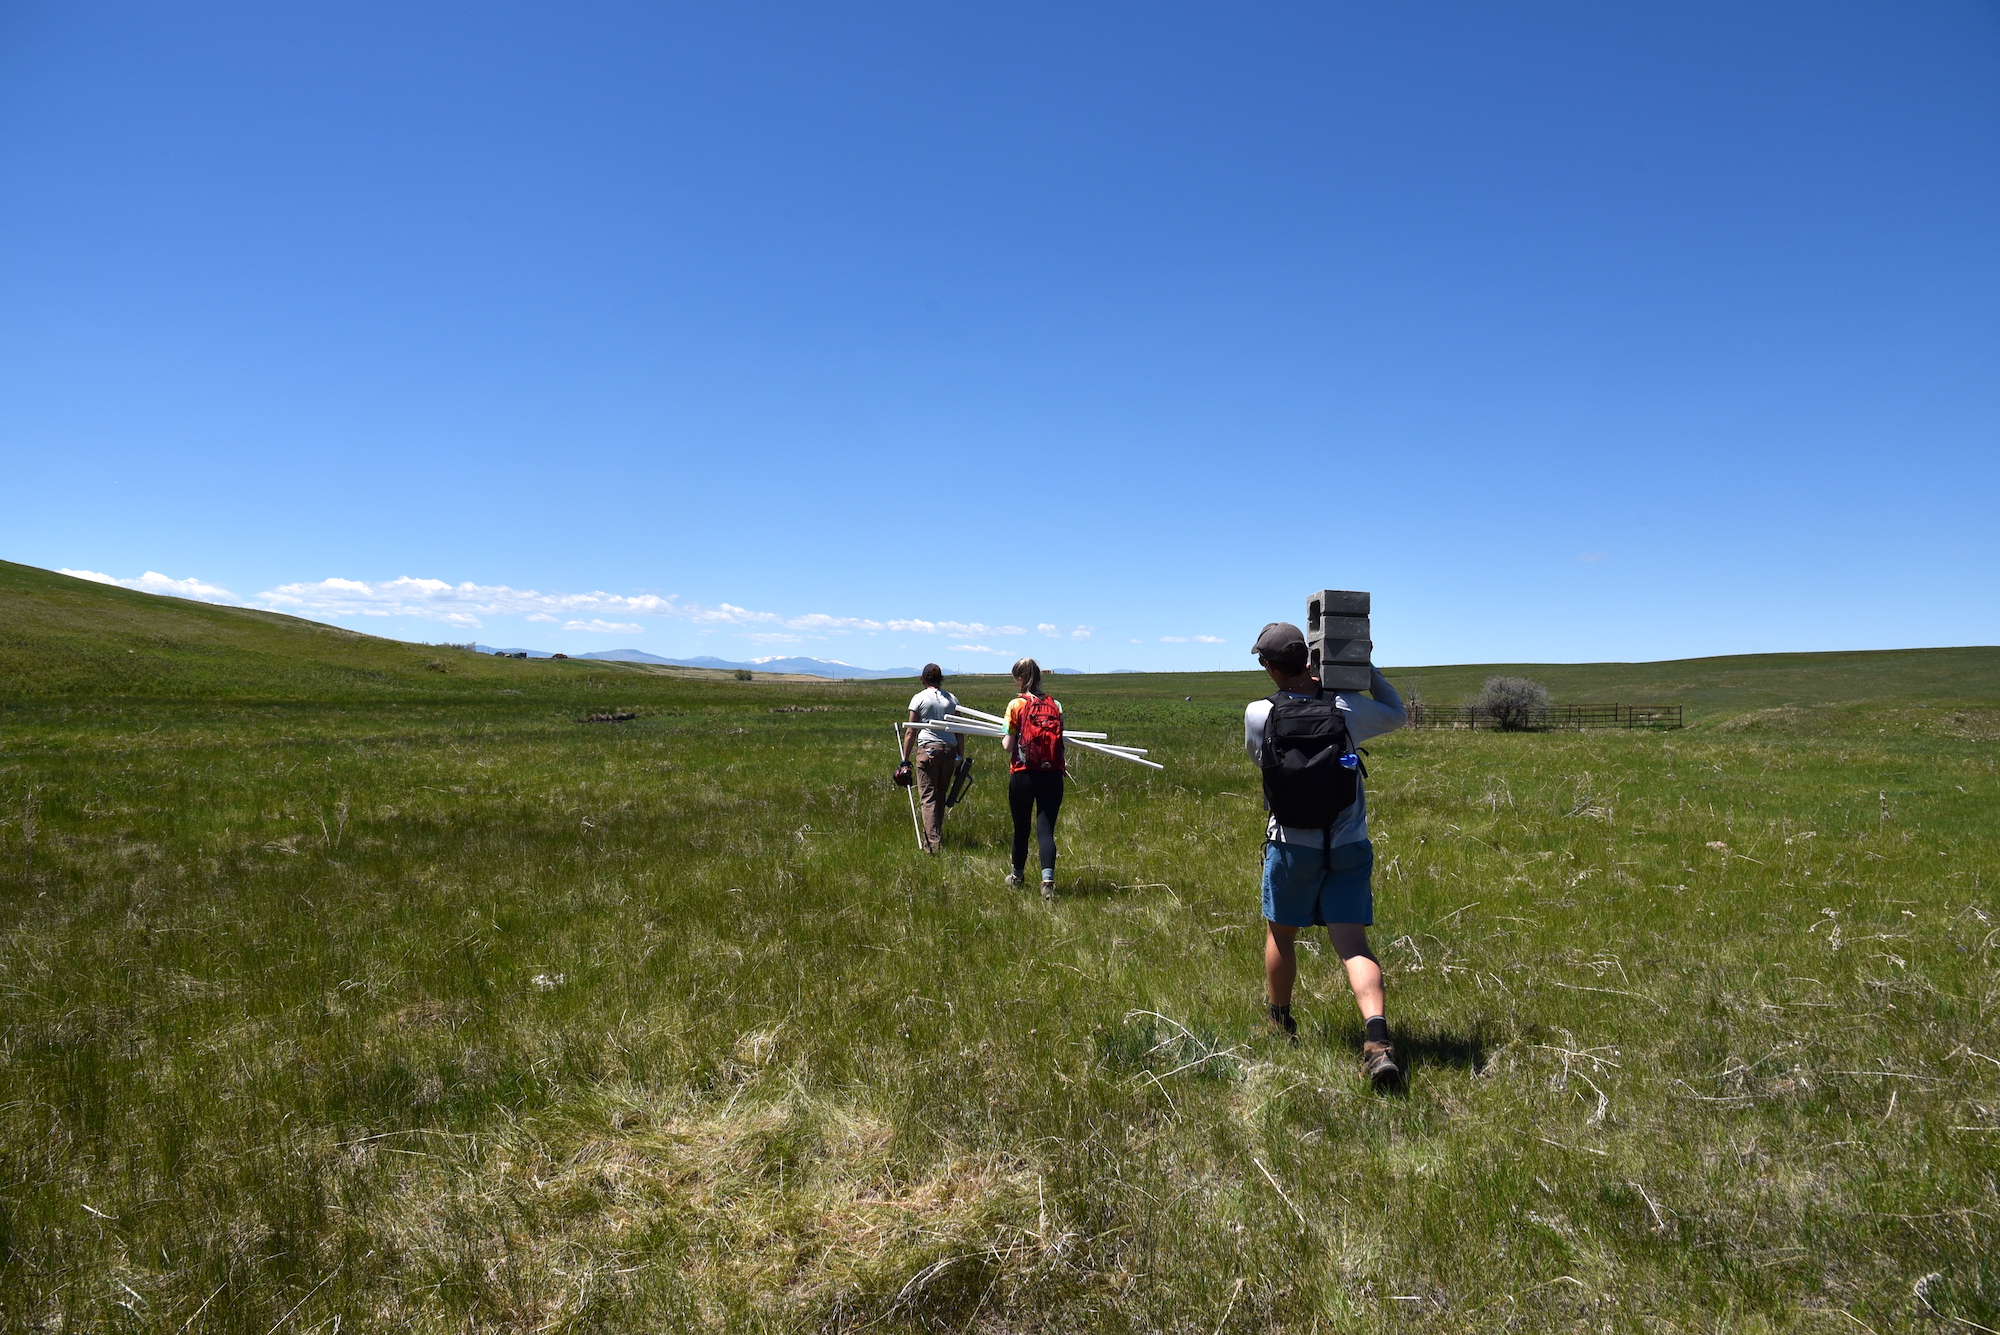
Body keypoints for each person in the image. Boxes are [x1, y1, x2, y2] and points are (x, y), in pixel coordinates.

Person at [1244, 621, 1408, 1086]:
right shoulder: (1348, 708)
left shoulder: (1260, 712)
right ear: (1310, 659)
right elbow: (1397, 713)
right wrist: (1362, 666)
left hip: (1291, 844)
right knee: (1353, 946)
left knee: (1281, 935)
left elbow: (1261, 760)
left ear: (1270, 667)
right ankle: (1377, 1043)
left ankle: (1280, 1021)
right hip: (1348, 844)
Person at [1000, 657, 1064, 901]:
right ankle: (1048, 881)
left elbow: (1008, 745)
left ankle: (1017, 876)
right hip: (1052, 774)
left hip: (1023, 773)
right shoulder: (1055, 704)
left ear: (1019, 678)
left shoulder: (1016, 704)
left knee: (1021, 828)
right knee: (1045, 831)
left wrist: (1005, 735)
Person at [899, 664, 965, 854]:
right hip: (949, 751)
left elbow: (911, 730)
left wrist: (905, 759)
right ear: (940, 678)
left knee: (928, 798)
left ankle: (932, 846)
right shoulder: (952, 699)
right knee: (940, 796)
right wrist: (960, 755)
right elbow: (960, 730)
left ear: (924, 679)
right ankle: (936, 835)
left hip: (928, 750)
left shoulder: (919, 698)